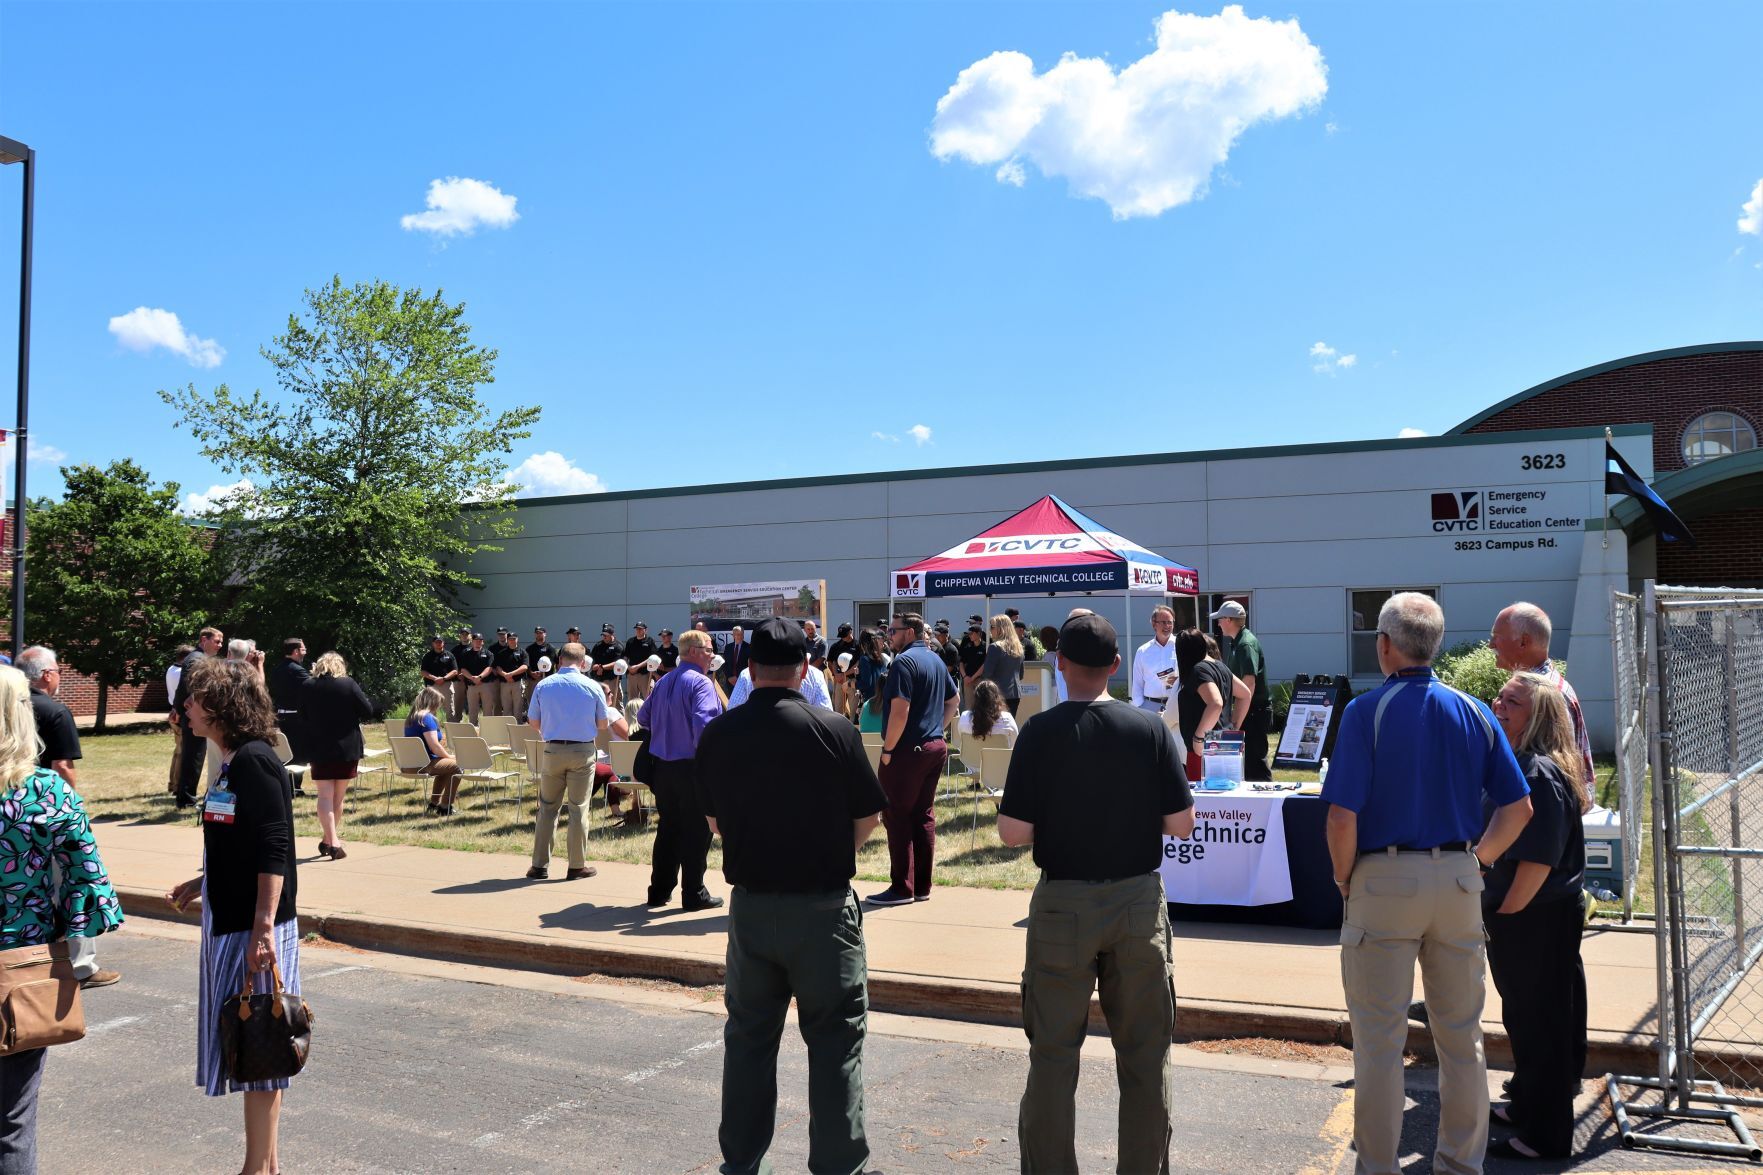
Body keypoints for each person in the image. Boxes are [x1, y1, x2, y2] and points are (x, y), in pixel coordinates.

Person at [1322, 592, 1534, 1175]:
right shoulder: (1474, 710)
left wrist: (1345, 879)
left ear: (1384, 645)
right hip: (1460, 877)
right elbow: (1519, 809)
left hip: (1384, 878)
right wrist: (1480, 863)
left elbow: (1341, 816)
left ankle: (1379, 1167)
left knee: (1380, 1045)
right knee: (1462, 1039)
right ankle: (1461, 1166)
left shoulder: (1368, 710)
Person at [997, 613, 1196, 1172]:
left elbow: (1012, 832)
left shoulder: (1039, 732)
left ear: (1060, 664)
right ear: (1116, 666)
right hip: (1136, 903)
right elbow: (1181, 824)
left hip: (1063, 904)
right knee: (1144, 1056)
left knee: (1053, 1058)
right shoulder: (1150, 729)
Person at [697, 617, 887, 1175]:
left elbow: (715, 824)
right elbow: (869, 816)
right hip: (824, 907)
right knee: (834, 1045)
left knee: (749, 1042)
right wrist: (828, 850)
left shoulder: (721, 733)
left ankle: (741, 1164)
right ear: (806, 669)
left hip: (754, 906)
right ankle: (837, 1165)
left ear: (749, 669)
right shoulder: (834, 729)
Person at [165, 657, 302, 1175]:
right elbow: (240, 839)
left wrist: (263, 929)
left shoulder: (254, 761)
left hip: (253, 928)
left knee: (259, 1044)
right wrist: (204, 880)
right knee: (253, 1045)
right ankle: (265, 1166)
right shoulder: (232, 761)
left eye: (195, 698)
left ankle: (254, 1169)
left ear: (221, 705)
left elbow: (274, 846)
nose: (186, 707)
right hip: (235, 921)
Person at [0, 664, 123, 1170]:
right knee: (12, 1122)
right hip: (22, 971)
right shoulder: (48, 792)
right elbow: (88, 883)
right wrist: (71, 932)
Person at [1485, 671, 1589, 1161]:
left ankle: (1546, 1137)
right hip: (1527, 916)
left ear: (1539, 716)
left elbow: (1537, 860)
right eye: (1500, 697)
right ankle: (1527, 1104)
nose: (1499, 705)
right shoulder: (1522, 762)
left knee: (1542, 1025)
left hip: (1535, 916)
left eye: (1512, 702)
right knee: (1523, 1019)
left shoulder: (1538, 772)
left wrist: (1505, 914)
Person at [18, 645, 122, 993]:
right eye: (59, 670)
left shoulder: (13, 707)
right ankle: (80, 966)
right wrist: (75, 810)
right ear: (47, 674)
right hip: (51, 817)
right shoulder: (55, 711)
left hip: (16, 816)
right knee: (71, 888)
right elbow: (62, 766)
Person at [867, 613, 958, 907]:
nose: (888, 637)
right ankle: (921, 886)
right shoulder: (934, 660)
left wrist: (888, 750)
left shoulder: (904, 663)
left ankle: (902, 888)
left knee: (896, 815)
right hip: (933, 747)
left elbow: (900, 711)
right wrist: (936, 730)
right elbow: (953, 702)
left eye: (892, 632)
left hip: (908, 750)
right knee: (923, 815)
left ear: (909, 632)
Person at [524, 642, 630, 881]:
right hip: (582, 750)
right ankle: (576, 866)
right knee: (578, 808)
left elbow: (533, 721)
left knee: (548, 808)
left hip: (552, 749)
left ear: (559, 660)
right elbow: (603, 724)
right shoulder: (592, 686)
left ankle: (539, 865)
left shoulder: (544, 684)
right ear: (583, 663)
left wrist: (552, 729)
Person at [641, 629, 724, 911]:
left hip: (663, 768)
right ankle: (694, 892)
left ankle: (659, 891)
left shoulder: (664, 681)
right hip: (691, 768)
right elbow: (705, 726)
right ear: (692, 651)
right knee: (697, 831)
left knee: (668, 828)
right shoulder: (701, 683)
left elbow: (643, 717)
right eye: (709, 649)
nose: (713, 654)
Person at [1490, 602, 1596, 793]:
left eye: (1496, 638)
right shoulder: (1531, 687)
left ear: (1523, 642)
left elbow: (1552, 779)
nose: (1491, 645)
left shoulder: (1546, 693)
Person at [298, 651, 375, 860]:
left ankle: (328, 839)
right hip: (346, 746)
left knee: (324, 796)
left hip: (319, 745)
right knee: (338, 797)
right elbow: (367, 710)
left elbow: (302, 714)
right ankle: (334, 842)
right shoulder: (348, 684)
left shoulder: (308, 686)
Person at [1171, 628, 1251, 781]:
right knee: (1228, 799)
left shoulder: (1198, 670)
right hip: (1224, 746)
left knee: (1203, 802)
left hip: (1204, 752)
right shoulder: (1221, 667)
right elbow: (1245, 694)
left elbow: (1215, 703)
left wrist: (1199, 738)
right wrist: (1234, 726)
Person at [1211, 601, 1273, 782]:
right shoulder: (1238, 642)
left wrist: (1237, 721)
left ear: (1229, 620)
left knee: (1256, 764)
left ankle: (1267, 804)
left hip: (1254, 712)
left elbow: (1249, 684)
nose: (1219, 623)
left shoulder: (1245, 644)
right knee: (1247, 766)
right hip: (1250, 711)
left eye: (1220, 619)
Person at [171, 626, 223, 808]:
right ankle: (186, 799)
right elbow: (187, 688)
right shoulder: (197, 659)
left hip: (195, 714)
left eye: (221, 642)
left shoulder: (199, 658)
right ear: (204, 640)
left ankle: (186, 797)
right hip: (195, 715)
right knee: (193, 757)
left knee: (194, 756)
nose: (220, 645)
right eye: (217, 641)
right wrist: (178, 709)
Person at [404, 685, 462, 814]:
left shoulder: (411, 718)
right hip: (423, 765)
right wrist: (449, 756)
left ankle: (434, 803)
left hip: (408, 764)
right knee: (458, 765)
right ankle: (445, 807)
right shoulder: (426, 718)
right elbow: (434, 747)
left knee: (446, 767)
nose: (438, 707)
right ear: (432, 703)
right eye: (438, 704)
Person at [266, 639, 311, 792]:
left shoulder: (278, 669)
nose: (306, 651)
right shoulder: (297, 670)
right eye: (303, 649)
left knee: (286, 752)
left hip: (282, 716)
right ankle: (294, 788)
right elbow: (311, 688)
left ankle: (286, 786)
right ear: (296, 651)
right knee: (299, 753)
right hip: (296, 718)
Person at [726, 660, 836, 711]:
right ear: (805, 666)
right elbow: (825, 712)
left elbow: (733, 711)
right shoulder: (815, 674)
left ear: (751, 668)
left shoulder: (746, 674)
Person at [1130, 604, 1179, 715]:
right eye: (1163, 622)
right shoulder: (1143, 651)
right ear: (1154, 624)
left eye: (1170, 622)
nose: (1167, 626)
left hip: (1175, 705)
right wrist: (1140, 706)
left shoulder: (1181, 646)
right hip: (1149, 706)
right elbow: (1137, 683)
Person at [164, 643, 195, 796]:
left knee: (178, 751)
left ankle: (173, 784)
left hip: (173, 711)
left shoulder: (171, 669)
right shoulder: (181, 673)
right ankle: (177, 785)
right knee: (182, 751)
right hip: (180, 713)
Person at [980, 615, 1024, 717]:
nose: (990, 630)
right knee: (1009, 726)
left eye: (992, 627)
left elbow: (987, 674)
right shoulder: (1019, 647)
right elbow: (1021, 675)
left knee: (996, 728)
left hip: (998, 695)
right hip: (1015, 694)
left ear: (1000, 629)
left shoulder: (995, 647)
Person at [957, 678, 1018, 748]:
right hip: (999, 759)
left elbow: (961, 740)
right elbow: (1015, 744)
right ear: (997, 698)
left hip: (971, 759)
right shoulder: (1007, 718)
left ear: (976, 698)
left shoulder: (964, 716)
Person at [456, 632, 494, 723]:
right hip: (471, 685)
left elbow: (489, 668)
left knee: (488, 708)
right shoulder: (466, 653)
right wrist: (472, 678)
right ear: (472, 641)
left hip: (485, 685)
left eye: (480, 640)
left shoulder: (488, 654)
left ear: (483, 642)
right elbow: (463, 669)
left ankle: (488, 728)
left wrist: (480, 677)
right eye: (476, 640)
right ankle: (473, 728)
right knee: (472, 709)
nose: (478, 642)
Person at [852, 628, 891, 715]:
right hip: (883, 700)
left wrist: (850, 684)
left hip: (871, 703)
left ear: (863, 643)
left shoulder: (865, 659)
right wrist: (858, 675)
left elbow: (866, 683)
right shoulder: (880, 657)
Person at [490, 630, 528, 718]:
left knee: (518, 707)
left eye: (514, 639)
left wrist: (510, 674)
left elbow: (525, 667)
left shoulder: (522, 652)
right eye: (510, 639)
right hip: (504, 683)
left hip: (518, 683)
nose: (512, 641)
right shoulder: (501, 653)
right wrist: (505, 675)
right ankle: (507, 726)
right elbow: (497, 667)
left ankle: (517, 726)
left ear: (517, 640)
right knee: (506, 707)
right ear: (507, 640)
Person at [421, 635, 458, 720]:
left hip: (446, 685)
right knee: (431, 709)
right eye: (436, 642)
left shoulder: (449, 655)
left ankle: (452, 730)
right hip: (432, 685)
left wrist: (443, 678)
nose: (438, 644)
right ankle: (433, 730)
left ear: (443, 643)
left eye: (440, 642)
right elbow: (423, 672)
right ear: (433, 644)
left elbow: (455, 671)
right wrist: (435, 678)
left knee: (450, 709)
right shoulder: (427, 656)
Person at [523, 626, 556, 718]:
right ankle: (532, 721)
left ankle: (547, 719)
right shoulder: (529, 648)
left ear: (545, 634)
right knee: (532, 701)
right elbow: (526, 664)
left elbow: (554, 663)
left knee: (547, 701)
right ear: (535, 634)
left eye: (541, 633)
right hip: (532, 680)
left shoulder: (550, 648)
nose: (539, 634)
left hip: (547, 680)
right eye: (537, 633)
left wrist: (543, 673)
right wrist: (531, 673)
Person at [827, 623, 859, 716]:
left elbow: (859, 663)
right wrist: (836, 675)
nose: (843, 638)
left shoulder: (858, 645)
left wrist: (845, 674)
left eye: (845, 635)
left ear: (850, 631)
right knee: (838, 708)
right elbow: (831, 662)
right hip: (839, 680)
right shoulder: (836, 646)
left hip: (853, 680)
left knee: (853, 709)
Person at [589, 624, 624, 709]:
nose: (604, 637)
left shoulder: (618, 646)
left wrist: (602, 667)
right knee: (599, 703)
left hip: (612, 679)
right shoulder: (598, 645)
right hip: (598, 679)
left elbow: (617, 663)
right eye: (603, 635)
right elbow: (592, 659)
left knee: (615, 704)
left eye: (606, 635)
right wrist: (593, 666)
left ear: (612, 635)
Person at [623, 621, 659, 703]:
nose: (638, 630)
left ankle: (648, 715)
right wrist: (629, 667)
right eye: (637, 629)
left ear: (645, 630)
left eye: (640, 629)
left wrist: (638, 666)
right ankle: (633, 716)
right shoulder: (630, 641)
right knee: (632, 701)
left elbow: (652, 658)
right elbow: (625, 656)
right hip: (632, 674)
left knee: (648, 698)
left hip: (645, 674)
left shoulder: (650, 641)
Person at [958, 622, 987, 710]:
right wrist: (965, 676)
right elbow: (961, 663)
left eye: (971, 633)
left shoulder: (986, 647)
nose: (969, 636)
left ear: (978, 634)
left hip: (980, 680)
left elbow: (985, 665)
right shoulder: (968, 647)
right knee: (969, 707)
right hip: (968, 680)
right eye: (969, 634)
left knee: (981, 706)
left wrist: (973, 677)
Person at [447, 625, 473, 721]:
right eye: (463, 634)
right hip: (459, 680)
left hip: (473, 680)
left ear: (470, 635)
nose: (465, 636)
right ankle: (457, 724)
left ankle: (474, 725)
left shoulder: (475, 647)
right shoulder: (455, 650)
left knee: (473, 705)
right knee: (457, 704)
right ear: (460, 636)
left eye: (467, 634)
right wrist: (458, 674)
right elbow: (450, 664)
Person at [720, 625, 750, 692]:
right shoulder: (728, 647)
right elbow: (725, 663)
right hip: (729, 681)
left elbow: (748, 665)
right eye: (737, 634)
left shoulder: (749, 647)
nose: (740, 637)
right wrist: (729, 677)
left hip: (742, 680)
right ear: (733, 635)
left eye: (741, 634)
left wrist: (737, 677)